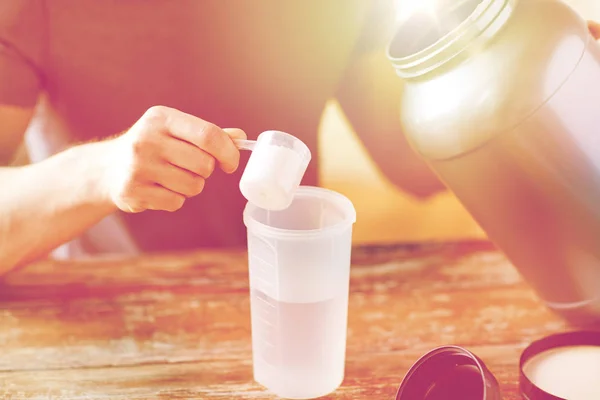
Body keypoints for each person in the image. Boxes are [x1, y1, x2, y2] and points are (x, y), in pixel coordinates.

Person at [0, 2, 598, 271]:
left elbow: (409, 160)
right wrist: (100, 172)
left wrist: (540, 75)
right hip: (118, 307)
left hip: (302, 280)